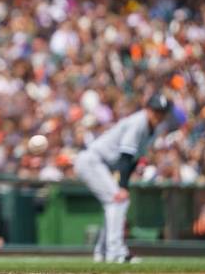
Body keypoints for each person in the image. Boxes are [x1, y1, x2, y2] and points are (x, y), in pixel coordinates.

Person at [73, 93, 173, 263]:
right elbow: (125, 157)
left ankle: (103, 252)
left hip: (102, 164)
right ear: (148, 109)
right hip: (93, 161)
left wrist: (122, 184)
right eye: (156, 111)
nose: (159, 115)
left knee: (114, 202)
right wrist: (122, 186)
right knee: (118, 200)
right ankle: (116, 252)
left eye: (162, 112)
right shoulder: (138, 122)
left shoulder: (152, 128)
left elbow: (133, 158)